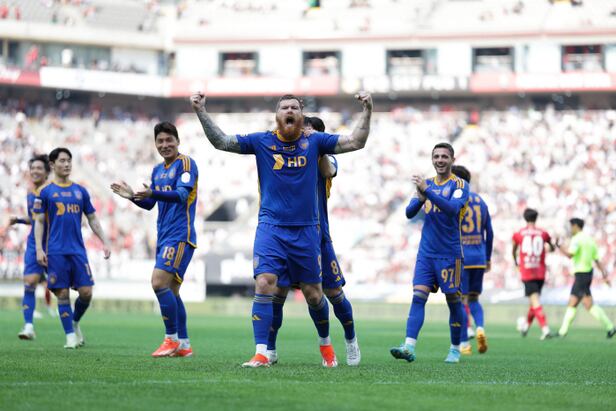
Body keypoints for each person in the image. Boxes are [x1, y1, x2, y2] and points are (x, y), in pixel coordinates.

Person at [190, 91, 372, 368]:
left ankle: (328, 344)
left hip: (309, 231)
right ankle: (263, 352)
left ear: (301, 114)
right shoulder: (262, 141)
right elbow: (222, 141)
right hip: (271, 228)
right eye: (284, 107)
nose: (289, 111)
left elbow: (356, 141)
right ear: (276, 115)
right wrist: (201, 110)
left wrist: (367, 110)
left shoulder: (315, 143)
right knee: (266, 284)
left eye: (294, 107)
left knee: (316, 295)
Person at [266, 116, 360, 366]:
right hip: (285, 235)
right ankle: (270, 348)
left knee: (332, 292)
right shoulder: (288, 156)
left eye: (312, 131)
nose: (306, 133)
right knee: (277, 292)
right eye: (304, 128)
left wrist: (317, 148)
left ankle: (350, 340)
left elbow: (329, 171)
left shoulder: (326, 158)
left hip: (318, 237)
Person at [111, 122, 199, 357]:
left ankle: (171, 339)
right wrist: (132, 197)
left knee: (158, 283)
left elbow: (182, 195)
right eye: (160, 141)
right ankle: (184, 344)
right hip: (165, 236)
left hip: (180, 235)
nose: (165, 144)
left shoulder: (186, 164)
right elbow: (151, 203)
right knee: (172, 291)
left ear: (178, 141)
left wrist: (153, 192)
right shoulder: (158, 170)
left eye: (169, 140)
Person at [390, 142, 469, 364]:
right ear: (432, 159)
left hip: (450, 254)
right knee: (418, 297)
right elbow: (409, 212)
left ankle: (455, 349)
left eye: (444, 156)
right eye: (436, 156)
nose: (440, 160)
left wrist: (428, 192)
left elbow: (452, 209)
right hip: (426, 253)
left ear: (452, 160)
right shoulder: (428, 184)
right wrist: (421, 197)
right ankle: (408, 346)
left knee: (453, 300)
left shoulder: (460, 185)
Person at [33, 147, 111, 348]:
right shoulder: (45, 192)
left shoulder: (80, 191)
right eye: (62, 160)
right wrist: (39, 249)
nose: (67, 164)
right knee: (62, 294)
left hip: (77, 250)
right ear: (52, 165)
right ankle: (69, 336)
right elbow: (39, 222)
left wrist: (105, 241)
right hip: (56, 250)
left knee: (86, 292)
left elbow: (92, 218)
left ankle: (74, 322)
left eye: (69, 160)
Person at [9, 155, 53, 340]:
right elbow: (35, 219)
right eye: (32, 168)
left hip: (54, 244)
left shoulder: (52, 192)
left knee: (62, 288)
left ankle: (73, 328)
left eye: (39, 168)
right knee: (29, 283)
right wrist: (19, 220)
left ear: (47, 172)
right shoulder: (30, 193)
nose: (35, 171)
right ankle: (28, 326)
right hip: (34, 244)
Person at [451, 165, 493, 355]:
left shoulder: (454, 200)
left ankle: (464, 344)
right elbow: (489, 233)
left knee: (459, 300)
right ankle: (480, 328)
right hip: (479, 257)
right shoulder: (481, 201)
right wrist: (488, 257)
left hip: (461, 257)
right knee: (474, 299)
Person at [556, 218, 616, 338]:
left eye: (571, 226)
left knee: (583, 303)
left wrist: (559, 246)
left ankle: (610, 326)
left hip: (581, 274)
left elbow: (570, 254)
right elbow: (597, 260)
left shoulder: (577, 239)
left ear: (576, 226)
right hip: (587, 274)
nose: (571, 229)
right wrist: (604, 275)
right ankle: (563, 331)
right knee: (577, 302)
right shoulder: (590, 240)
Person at [512, 208, 555, 340]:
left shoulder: (519, 233)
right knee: (534, 301)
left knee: (534, 301)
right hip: (540, 271)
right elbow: (552, 247)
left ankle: (545, 329)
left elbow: (513, 250)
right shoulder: (543, 233)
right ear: (536, 218)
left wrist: (516, 263)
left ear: (525, 218)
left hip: (527, 270)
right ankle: (526, 326)